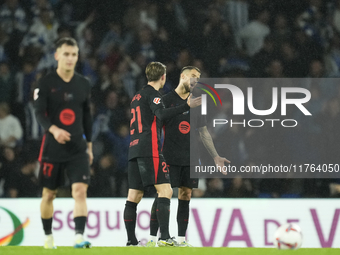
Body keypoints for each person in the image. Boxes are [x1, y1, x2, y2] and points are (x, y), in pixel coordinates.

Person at [146, 66, 230, 247]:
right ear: (182, 76)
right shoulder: (166, 100)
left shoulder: (198, 102)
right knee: (163, 194)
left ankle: (181, 240)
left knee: (186, 194)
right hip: (168, 155)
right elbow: (154, 127)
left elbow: (203, 132)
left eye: (198, 78)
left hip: (191, 157)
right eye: (192, 76)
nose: (195, 81)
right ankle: (154, 238)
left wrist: (215, 156)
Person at [123, 62, 201, 247]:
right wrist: (185, 107)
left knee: (133, 195)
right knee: (165, 191)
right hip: (150, 149)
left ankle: (131, 241)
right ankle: (164, 237)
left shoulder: (136, 96)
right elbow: (161, 114)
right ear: (163, 77)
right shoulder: (156, 96)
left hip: (133, 147)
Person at [34, 37, 93, 249]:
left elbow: (87, 117)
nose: (70, 58)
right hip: (53, 147)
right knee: (49, 194)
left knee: (80, 191)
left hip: (78, 147)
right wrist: (54, 129)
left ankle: (79, 237)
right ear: (57, 55)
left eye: (74, 54)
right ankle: (48, 237)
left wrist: (89, 146)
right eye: (66, 54)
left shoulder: (84, 84)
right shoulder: (46, 82)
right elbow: (39, 113)